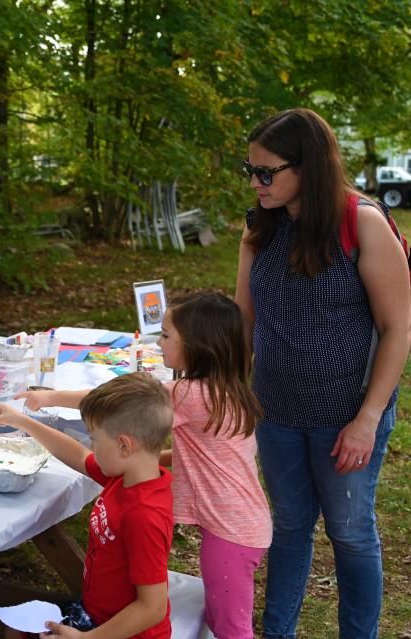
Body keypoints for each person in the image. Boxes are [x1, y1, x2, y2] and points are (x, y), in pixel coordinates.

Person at [235, 108, 411, 638]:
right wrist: (229, 389)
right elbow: (243, 318)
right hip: (276, 409)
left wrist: (367, 418)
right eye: (250, 170)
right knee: (288, 527)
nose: (255, 182)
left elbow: (398, 327)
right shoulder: (259, 227)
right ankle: (278, 632)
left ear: (307, 168)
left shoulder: (361, 222)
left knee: (351, 532)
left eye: (267, 172)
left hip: (347, 416)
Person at [0, 373, 174, 639]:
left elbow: (152, 608)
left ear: (124, 445)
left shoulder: (144, 515)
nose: (92, 446)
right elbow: (77, 454)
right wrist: (21, 421)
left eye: (95, 439)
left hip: (122, 632)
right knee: (16, 628)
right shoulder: (126, 475)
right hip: (95, 614)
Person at [154, 291, 271, 639]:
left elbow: (125, 404)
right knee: (224, 617)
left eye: (164, 335)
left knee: (229, 627)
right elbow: (205, 456)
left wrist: (48, 397)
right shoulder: (227, 390)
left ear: (197, 345)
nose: (158, 343)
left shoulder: (187, 394)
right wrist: (157, 462)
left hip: (231, 532)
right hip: (243, 525)